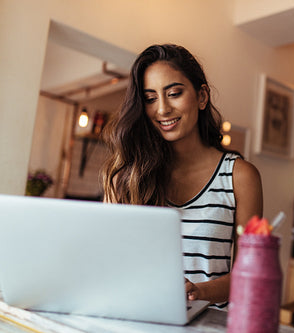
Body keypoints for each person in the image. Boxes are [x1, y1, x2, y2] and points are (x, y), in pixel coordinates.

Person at [100, 44, 263, 307]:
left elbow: (251, 275)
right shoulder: (126, 177)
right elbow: (107, 258)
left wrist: (198, 292)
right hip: (142, 318)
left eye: (174, 93)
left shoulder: (240, 176)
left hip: (210, 323)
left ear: (201, 97)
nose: (162, 109)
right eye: (150, 98)